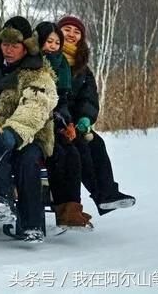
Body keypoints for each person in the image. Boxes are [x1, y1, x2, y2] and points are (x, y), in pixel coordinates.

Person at [0, 16, 58, 243]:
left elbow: (36, 106)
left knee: (26, 161)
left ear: (25, 47)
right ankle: (2, 200)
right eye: (5, 44)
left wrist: (13, 131)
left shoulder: (38, 72)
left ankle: (32, 224)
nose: (8, 50)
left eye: (14, 45)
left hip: (32, 132)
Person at [57, 15, 136, 215]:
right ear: (58, 32)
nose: (72, 35)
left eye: (77, 32)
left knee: (97, 143)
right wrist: (66, 121)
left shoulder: (83, 68)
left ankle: (108, 193)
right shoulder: (49, 58)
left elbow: (89, 98)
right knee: (80, 146)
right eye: (67, 30)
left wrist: (85, 118)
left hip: (75, 122)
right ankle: (101, 196)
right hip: (56, 120)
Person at [35, 21, 93, 230]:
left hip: (55, 119)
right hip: (34, 121)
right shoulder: (34, 62)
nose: (52, 46)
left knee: (73, 153)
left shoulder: (62, 65)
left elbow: (63, 99)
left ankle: (71, 209)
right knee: (57, 153)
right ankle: (62, 209)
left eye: (55, 43)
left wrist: (66, 121)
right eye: (48, 41)